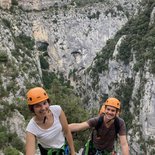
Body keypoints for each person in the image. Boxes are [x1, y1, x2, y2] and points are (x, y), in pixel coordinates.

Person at [25, 87, 75, 155]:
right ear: (32, 109)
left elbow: (67, 131)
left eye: (45, 103)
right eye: (38, 106)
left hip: (64, 151)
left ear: (48, 102)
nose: (43, 108)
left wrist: (73, 152)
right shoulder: (31, 128)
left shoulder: (57, 110)